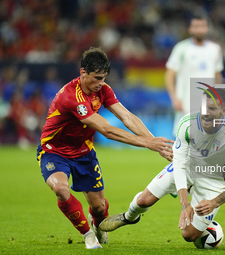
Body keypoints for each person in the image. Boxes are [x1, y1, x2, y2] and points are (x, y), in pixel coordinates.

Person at [36, 47, 173, 249]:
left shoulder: (103, 90)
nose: (101, 83)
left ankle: (97, 225)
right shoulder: (71, 97)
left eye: (104, 78)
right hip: (54, 151)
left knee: (99, 208)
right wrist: (147, 143)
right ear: (83, 73)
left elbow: (127, 117)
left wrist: (155, 143)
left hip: (84, 153)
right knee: (61, 189)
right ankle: (87, 235)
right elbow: (106, 130)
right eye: (97, 78)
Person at [99, 88, 225, 244]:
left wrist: (214, 203)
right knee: (143, 201)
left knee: (189, 235)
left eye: (212, 108)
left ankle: (205, 223)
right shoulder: (187, 123)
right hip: (189, 168)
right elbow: (179, 163)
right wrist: (185, 203)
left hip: (214, 181)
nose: (205, 113)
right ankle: (128, 217)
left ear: (224, 111)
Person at [165, 15, 224, 135]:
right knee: (183, 138)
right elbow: (169, 75)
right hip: (186, 101)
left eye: (202, 26)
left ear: (207, 28)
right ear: (190, 29)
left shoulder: (215, 49)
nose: (199, 30)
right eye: (196, 26)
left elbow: (217, 75)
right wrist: (174, 98)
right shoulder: (181, 48)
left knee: (208, 139)